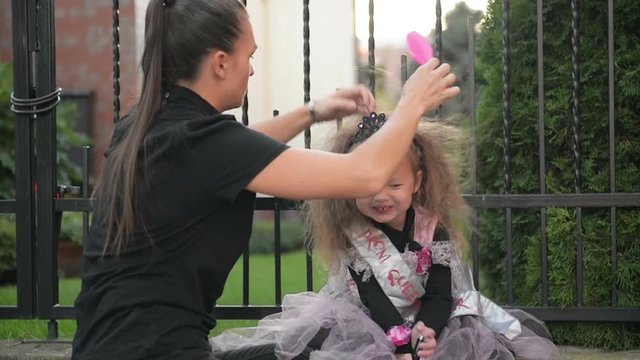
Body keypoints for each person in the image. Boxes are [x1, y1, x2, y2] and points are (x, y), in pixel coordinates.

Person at [70, 0, 460, 358]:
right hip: (160, 352)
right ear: (221, 63)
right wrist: (412, 102)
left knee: (320, 346)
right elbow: (365, 174)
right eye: (248, 55)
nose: (252, 68)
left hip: (103, 347)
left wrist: (312, 111)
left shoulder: (146, 128)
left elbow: (242, 150)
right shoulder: (206, 144)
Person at [211, 116, 561, 360]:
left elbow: (440, 292)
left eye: (394, 185)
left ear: (417, 182)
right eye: (370, 185)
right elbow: (373, 297)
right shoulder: (354, 233)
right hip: (368, 318)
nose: (382, 196)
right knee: (305, 347)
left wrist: (426, 332)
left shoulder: (434, 228)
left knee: (491, 346)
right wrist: (399, 341)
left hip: (429, 314)